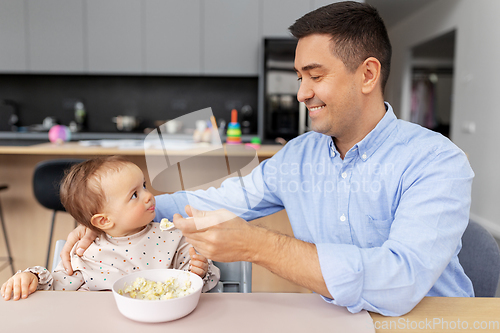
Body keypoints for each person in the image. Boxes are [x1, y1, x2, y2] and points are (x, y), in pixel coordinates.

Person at [60, 1, 474, 316]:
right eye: (299, 77)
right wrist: (128, 216)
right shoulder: (298, 157)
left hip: (435, 321)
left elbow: (399, 281)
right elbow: (223, 200)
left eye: (315, 75)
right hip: (337, 320)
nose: (300, 93)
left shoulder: (436, 162)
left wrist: (259, 246)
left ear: (367, 74)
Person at [1, 156, 219, 301]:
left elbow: (195, 283)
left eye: (144, 186)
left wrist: (197, 271)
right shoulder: (86, 253)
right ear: (103, 221)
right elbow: (57, 288)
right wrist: (32, 278)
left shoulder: (173, 236)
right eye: (134, 195)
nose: (149, 195)